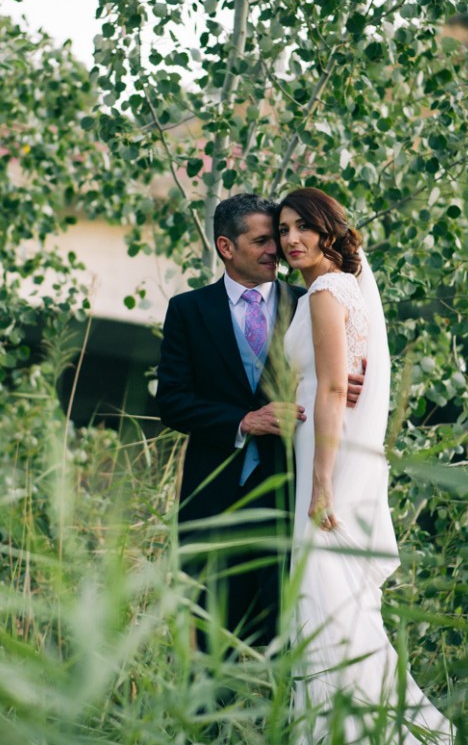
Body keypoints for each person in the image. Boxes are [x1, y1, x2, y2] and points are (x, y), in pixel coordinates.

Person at [277, 187, 452, 743]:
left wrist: (322, 485)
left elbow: (332, 387)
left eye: (302, 226)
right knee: (333, 597)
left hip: (325, 460)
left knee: (323, 595)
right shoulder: (334, 289)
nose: (290, 240)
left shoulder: (327, 291)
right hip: (319, 448)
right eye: (282, 230)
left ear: (328, 229)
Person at [155, 194, 361, 653]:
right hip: (211, 503)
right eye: (264, 240)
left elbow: (332, 379)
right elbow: (171, 402)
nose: (279, 248)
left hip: (286, 499)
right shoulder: (188, 311)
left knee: (278, 643)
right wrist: (242, 420)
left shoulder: (309, 303)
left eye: (280, 237)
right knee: (211, 644)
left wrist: (341, 385)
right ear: (226, 247)